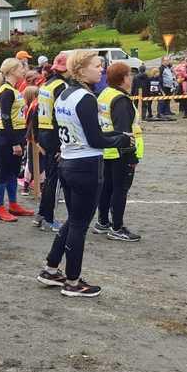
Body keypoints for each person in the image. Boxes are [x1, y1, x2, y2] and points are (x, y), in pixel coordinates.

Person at [37, 51, 132, 297]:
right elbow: (96, 139)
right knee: (79, 225)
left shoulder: (64, 94)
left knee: (74, 220)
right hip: (86, 165)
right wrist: (122, 139)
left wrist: (115, 136)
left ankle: (51, 269)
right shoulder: (86, 97)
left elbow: (74, 132)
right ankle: (73, 281)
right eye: (97, 65)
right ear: (81, 69)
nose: (101, 70)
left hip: (69, 161)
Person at [95, 62, 144, 242]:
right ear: (123, 78)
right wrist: (132, 155)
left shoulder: (105, 94)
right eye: (129, 75)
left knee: (107, 187)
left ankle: (102, 222)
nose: (131, 78)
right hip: (121, 152)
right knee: (120, 189)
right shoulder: (121, 100)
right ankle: (117, 227)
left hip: (107, 149)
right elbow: (125, 132)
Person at [0, 58, 35, 221]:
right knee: (3, 172)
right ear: (11, 71)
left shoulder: (14, 89)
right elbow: (6, 118)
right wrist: (15, 143)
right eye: (21, 68)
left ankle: (13, 204)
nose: (24, 71)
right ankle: (0, 208)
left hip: (18, 134)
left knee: (13, 172)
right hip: (6, 138)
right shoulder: (6, 91)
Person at [35, 53, 68, 232]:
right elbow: (60, 116)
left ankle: (41, 214)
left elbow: (37, 113)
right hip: (54, 136)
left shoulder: (46, 84)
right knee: (53, 180)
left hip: (44, 132)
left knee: (49, 178)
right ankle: (48, 218)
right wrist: (62, 144)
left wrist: (37, 137)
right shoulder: (61, 86)